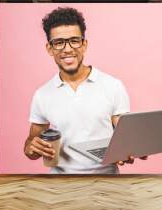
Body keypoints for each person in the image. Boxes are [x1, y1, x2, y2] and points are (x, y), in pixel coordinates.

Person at [23, 7, 148, 174]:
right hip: (60, 185)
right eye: (59, 42)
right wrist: (31, 148)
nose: (67, 49)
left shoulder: (113, 85)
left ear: (84, 45)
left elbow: (125, 135)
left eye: (74, 40)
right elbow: (32, 143)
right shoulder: (42, 94)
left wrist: (134, 146)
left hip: (107, 182)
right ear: (49, 49)